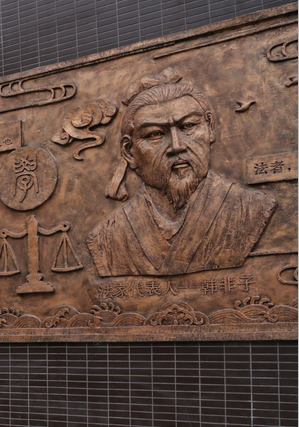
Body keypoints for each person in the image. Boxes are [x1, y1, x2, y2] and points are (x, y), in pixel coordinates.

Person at [86, 70, 278, 277]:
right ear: (129, 151)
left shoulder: (251, 208)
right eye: (155, 134)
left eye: (188, 126)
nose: (177, 146)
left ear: (210, 129)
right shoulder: (108, 236)